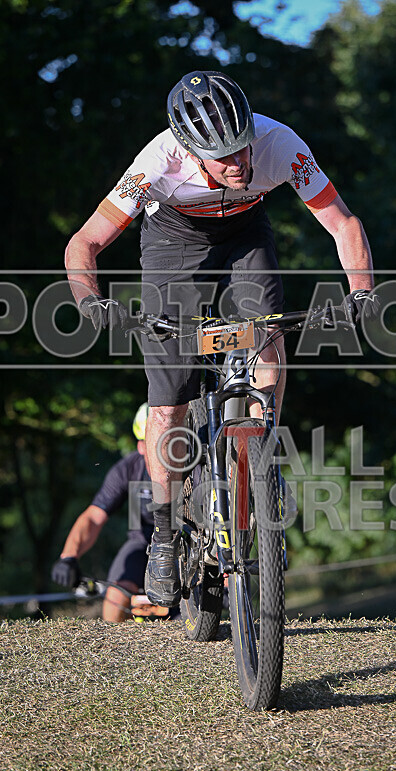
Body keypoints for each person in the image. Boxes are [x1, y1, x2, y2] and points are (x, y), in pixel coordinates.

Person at [64, 69, 378, 609]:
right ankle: (164, 537)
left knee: (268, 339)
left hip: (244, 235)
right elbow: (85, 242)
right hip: (173, 241)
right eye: (223, 156)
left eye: (242, 148)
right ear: (189, 151)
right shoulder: (156, 161)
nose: (239, 162)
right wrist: (91, 302)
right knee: (169, 403)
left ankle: (260, 449)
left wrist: (362, 292)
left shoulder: (279, 144)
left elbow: (343, 224)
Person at [51, 403, 163, 622]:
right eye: (150, 443)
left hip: (187, 544)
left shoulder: (192, 465)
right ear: (140, 446)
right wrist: (69, 556)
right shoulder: (129, 469)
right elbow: (94, 517)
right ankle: (113, 646)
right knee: (116, 594)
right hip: (142, 540)